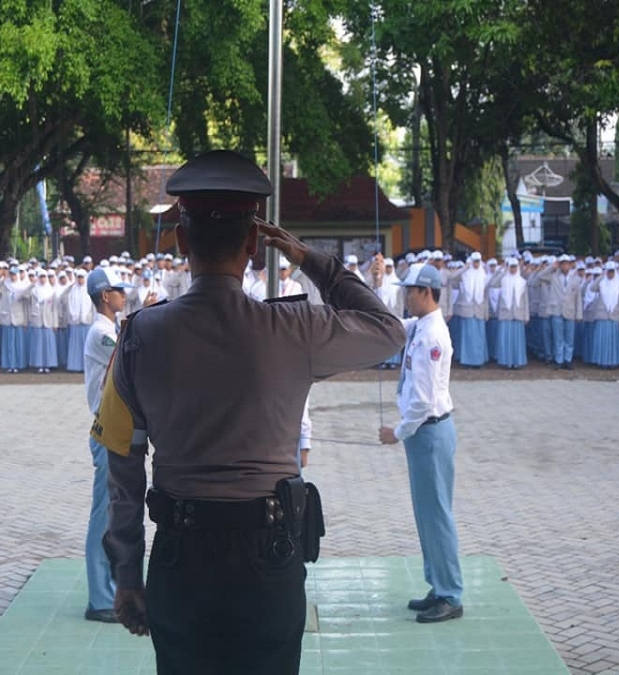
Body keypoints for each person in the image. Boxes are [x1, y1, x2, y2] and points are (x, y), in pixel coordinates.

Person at [93, 150, 405, 675]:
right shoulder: (294, 329)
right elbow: (388, 331)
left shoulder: (141, 335)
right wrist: (309, 258)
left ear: (181, 240)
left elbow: (122, 466)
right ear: (255, 244)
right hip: (268, 558)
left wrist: (127, 575)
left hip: (180, 558)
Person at [379, 262, 463, 624]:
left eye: (410, 292)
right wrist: (377, 283)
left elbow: (424, 402)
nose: (406, 298)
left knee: (437, 516)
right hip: (424, 433)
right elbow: (391, 324)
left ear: (426, 292)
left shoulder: (431, 336)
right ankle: (438, 585)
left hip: (428, 431)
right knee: (426, 516)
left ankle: (450, 594)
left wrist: (397, 433)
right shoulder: (420, 325)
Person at [81, 266, 134, 623]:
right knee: (103, 516)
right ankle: (99, 599)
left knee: (115, 514)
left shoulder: (109, 330)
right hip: (107, 430)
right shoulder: (101, 333)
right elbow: (129, 360)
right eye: (118, 290)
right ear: (104, 295)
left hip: (117, 429)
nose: (123, 295)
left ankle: (111, 589)